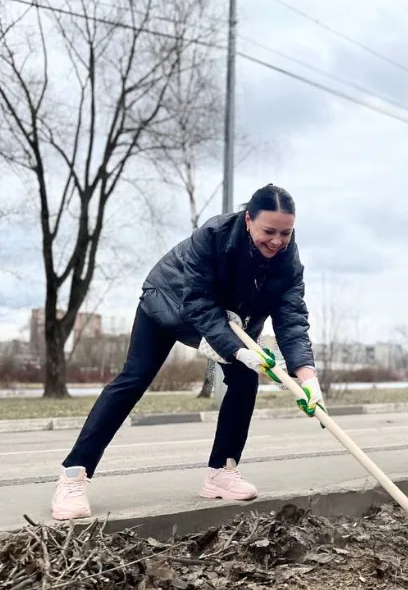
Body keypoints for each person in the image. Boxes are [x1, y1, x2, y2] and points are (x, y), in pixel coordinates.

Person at [51, 184, 325, 521]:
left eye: (286, 233)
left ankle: (222, 472)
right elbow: (199, 304)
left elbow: (292, 317)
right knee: (134, 379)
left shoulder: (287, 259)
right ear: (248, 219)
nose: (277, 241)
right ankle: (74, 474)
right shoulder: (212, 236)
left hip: (230, 319)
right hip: (168, 304)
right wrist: (237, 351)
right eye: (269, 232)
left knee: (244, 381)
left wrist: (307, 376)